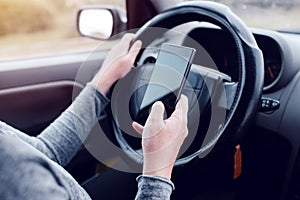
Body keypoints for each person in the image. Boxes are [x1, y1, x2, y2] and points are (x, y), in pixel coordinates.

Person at [0, 33, 189, 200]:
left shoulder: (13, 163)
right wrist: (159, 170)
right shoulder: (13, 180)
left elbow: (42, 153)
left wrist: (103, 80)